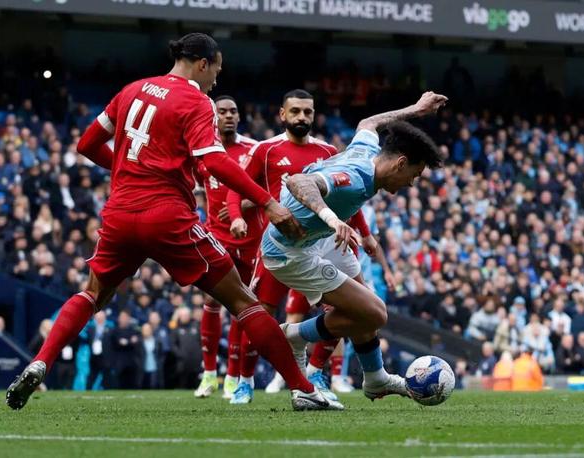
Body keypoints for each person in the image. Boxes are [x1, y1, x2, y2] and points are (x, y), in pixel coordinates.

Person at [6, 33, 338, 411]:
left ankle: (40, 361)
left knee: (92, 294)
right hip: (167, 215)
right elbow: (214, 161)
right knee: (243, 301)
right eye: (216, 71)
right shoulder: (196, 100)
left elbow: (87, 144)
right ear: (203, 64)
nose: (215, 80)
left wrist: (127, 171)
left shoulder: (132, 90)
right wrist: (268, 202)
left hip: (120, 213)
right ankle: (303, 389)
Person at [263, 91, 448, 401]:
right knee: (375, 314)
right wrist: (333, 219)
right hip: (290, 252)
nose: (411, 184)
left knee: (364, 308)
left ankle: (375, 379)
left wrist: (416, 109)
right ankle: (293, 335)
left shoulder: (367, 151)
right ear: (400, 163)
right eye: (414, 175)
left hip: (318, 238)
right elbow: (298, 182)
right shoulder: (356, 178)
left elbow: (368, 122)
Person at [225, 89, 376, 402]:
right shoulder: (266, 150)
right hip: (279, 247)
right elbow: (237, 186)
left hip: (319, 245)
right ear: (282, 114)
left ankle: (316, 371)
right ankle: (245, 380)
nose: (301, 117)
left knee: (344, 308)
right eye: (295, 111)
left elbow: (348, 198)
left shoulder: (327, 151)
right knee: (258, 311)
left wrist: (365, 233)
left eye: (307, 112)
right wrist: (237, 217)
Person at [192, 95, 259, 400]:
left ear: (239, 116)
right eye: (222, 112)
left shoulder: (254, 149)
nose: (229, 116)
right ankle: (209, 375)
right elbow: (194, 186)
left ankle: (232, 377)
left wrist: (243, 205)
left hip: (249, 238)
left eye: (233, 111)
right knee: (211, 301)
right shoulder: (204, 151)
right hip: (215, 236)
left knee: (241, 306)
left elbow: (269, 190)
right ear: (214, 116)